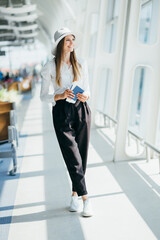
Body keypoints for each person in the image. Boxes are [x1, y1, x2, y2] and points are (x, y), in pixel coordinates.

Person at [40, 27, 93, 217]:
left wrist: (85, 95)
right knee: (72, 155)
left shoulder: (81, 62)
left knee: (82, 155)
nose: (72, 43)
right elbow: (42, 96)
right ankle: (86, 198)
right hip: (61, 112)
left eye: (73, 39)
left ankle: (74, 195)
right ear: (61, 44)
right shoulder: (50, 66)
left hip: (81, 109)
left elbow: (87, 89)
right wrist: (59, 95)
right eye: (67, 40)